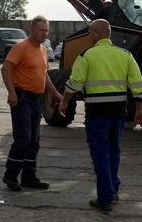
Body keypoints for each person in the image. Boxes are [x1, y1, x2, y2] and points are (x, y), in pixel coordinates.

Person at [59, 19, 142, 212]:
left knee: (100, 154)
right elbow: (138, 84)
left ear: (96, 33)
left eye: (89, 32)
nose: (89, 36)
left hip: (97, 115)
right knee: (114, 151)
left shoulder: (87, 55)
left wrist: (64, 101)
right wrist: (139, 108)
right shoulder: (125, 54)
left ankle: (105, 198)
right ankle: (113, 189)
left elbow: (75, 82)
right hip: (119, 114)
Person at [1, 15, 62, 191]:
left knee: (34, 140)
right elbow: (5, 69)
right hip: (22, 99)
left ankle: (29, 177)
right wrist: (11, 93)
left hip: (36, 100)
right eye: (41, 30)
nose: (44, 33)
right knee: (23, 138)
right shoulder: (21, 47)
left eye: (46, 31)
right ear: (32, 29)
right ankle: (10, 175)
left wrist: (57, 94)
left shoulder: (43, 50)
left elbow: (44, 76)